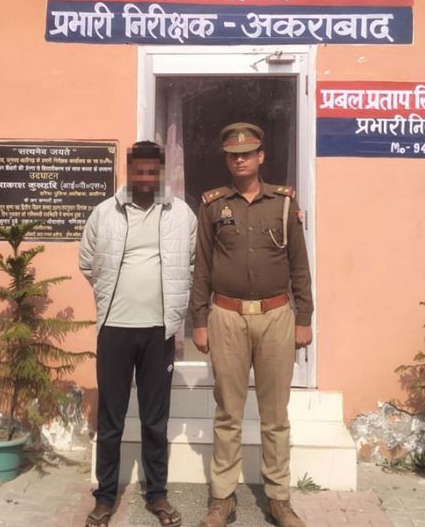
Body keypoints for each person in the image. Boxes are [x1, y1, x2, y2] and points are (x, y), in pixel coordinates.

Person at [192, 123, 313, 527]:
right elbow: (201, 268)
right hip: (226, 316)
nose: (240, 159)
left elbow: (299, 266)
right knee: (228, 412)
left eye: (247, 153)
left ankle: (279, 499)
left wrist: (304, 317)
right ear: (226, 159)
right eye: (233, 154)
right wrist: (199, 320)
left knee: (275, 415)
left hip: (277, 316)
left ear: (261, 156)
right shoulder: (213, 205)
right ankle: (222, 499)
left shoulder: (283, 203)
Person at [79, 141, 197, 527]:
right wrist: (111, 296)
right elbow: (87, 261)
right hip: (114, 329)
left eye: (152, 171)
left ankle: (157, 495)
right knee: (111, 419)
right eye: (139, 171)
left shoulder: (181, 214)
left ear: (161, 173)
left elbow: (192, 262)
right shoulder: (104, 213)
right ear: (129, 172)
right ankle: (105, 497)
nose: (145, 178)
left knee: (154, 421)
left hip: (159, 331)